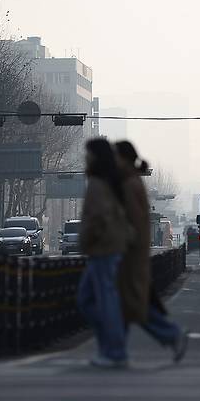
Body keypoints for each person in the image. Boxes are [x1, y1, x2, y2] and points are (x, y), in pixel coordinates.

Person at [115, 140, 189, 363]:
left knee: (130, 303)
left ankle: (116, 349)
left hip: (129, 253)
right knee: (129, 304)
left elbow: (135, 222)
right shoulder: (130, 182)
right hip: (130, 253)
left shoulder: (130, 184)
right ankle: (115, 348)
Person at [78, 138, 133, 369]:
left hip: (103, 248)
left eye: (88, 154)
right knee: (90, 299)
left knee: (101, 300)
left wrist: (88, 239)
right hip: (110, 247)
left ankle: (114, 350)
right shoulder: (111, 181)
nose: (85, 158)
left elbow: (98, 218)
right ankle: (110, 346)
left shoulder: (98, 183)